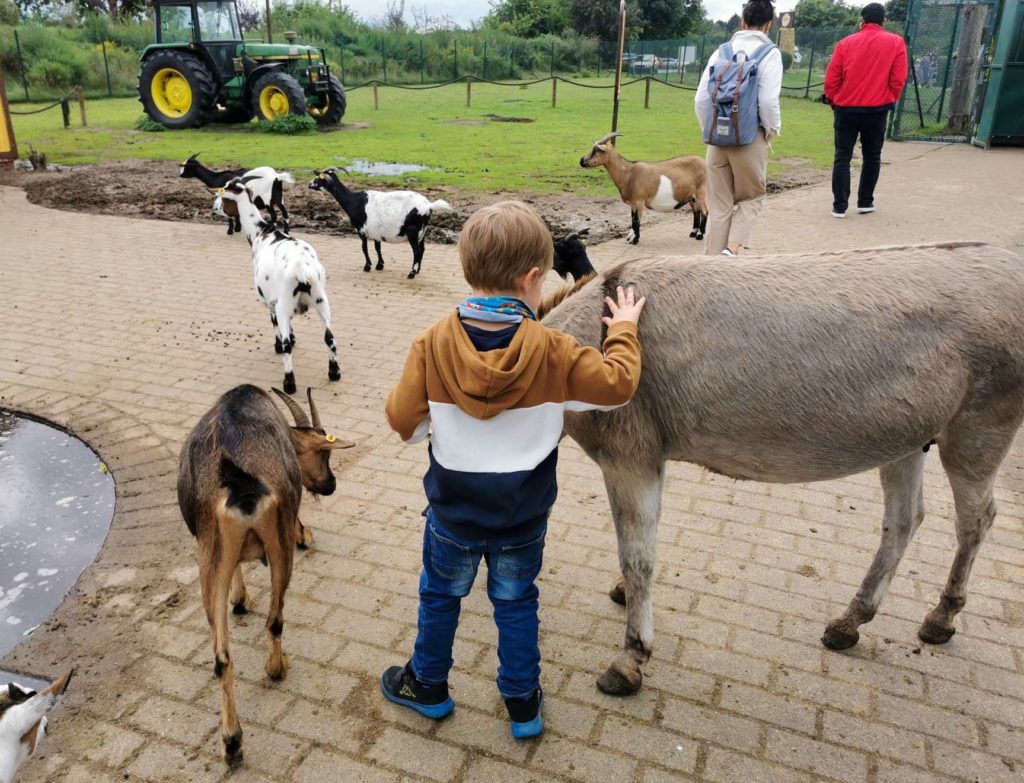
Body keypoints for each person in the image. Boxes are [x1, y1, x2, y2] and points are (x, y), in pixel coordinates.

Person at [380, 201, 646, 738]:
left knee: (439, 596)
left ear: (468, 270)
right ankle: (523, 704)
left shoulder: (430, 344)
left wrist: (439, 420)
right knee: (516, 603)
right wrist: (622, 328)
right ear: (531, 279)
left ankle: (427, 685)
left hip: (452, 517)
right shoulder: (557, 351)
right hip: (522, 520)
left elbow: (403, 424)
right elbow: (618, 385)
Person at [694, 0, 783, 257]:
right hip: (748, 138)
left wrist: (710, 129)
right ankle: (732, 251)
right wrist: (770, 131)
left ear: (742, 20)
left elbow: (701, 99)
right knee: (752, 197)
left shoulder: (720, 52)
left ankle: (711, 264)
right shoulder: (770, 54)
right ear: (769, 24)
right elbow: (767, 101)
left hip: (717, 140)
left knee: (719, 204)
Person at [823, 3, 908, 218]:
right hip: (877, 109)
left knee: (842, 156)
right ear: (884, 21)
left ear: (862, 20)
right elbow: (898, 78)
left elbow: (832, 78)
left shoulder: (844, 44)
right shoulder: (896, 43)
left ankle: (839, 205)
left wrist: (833, 99)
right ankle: (865, 201)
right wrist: (890, 97)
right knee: (872, 156)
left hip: (846, 108)